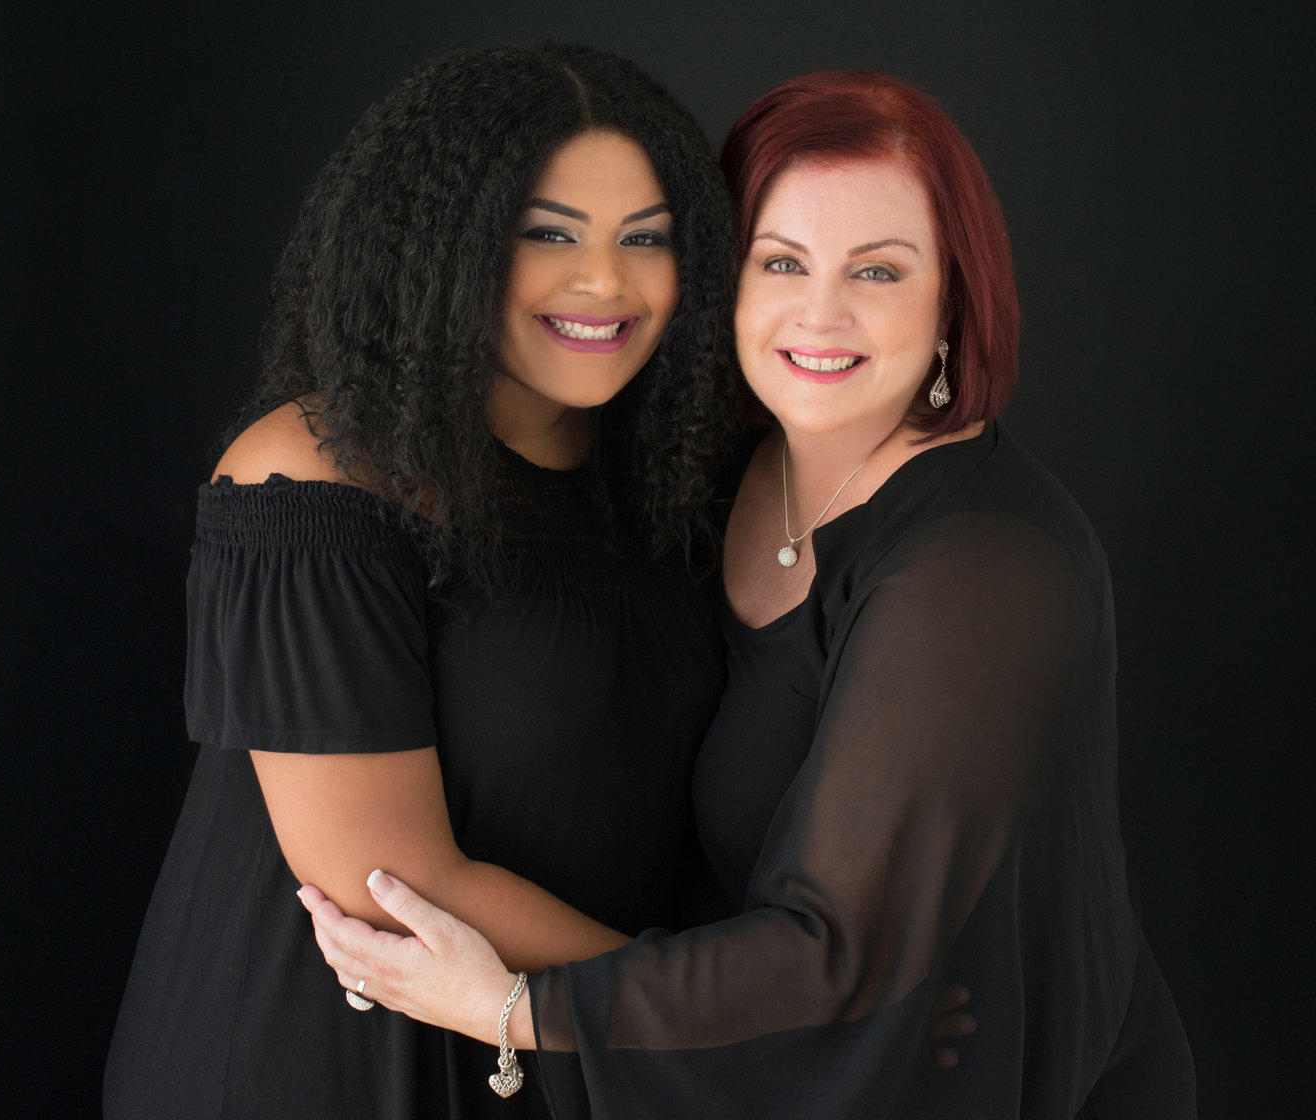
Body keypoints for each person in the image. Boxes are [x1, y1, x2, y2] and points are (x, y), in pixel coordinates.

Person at [300, 70, 1197, 1117]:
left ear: (953, 296)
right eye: (781, 261)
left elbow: (838, 958)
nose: (820, 313)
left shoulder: (981, 570)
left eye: (878, 270)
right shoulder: (731, 472)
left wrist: (512, 1006)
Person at [103, 44, 743, 1119]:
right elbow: (387, 885)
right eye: (546, 233)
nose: (604, 283)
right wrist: (749, 1013)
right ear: (441, 245)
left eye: (647, 240)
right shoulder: (313, 477)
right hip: (318, 1071)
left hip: (549, 1047)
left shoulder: (671, 486)